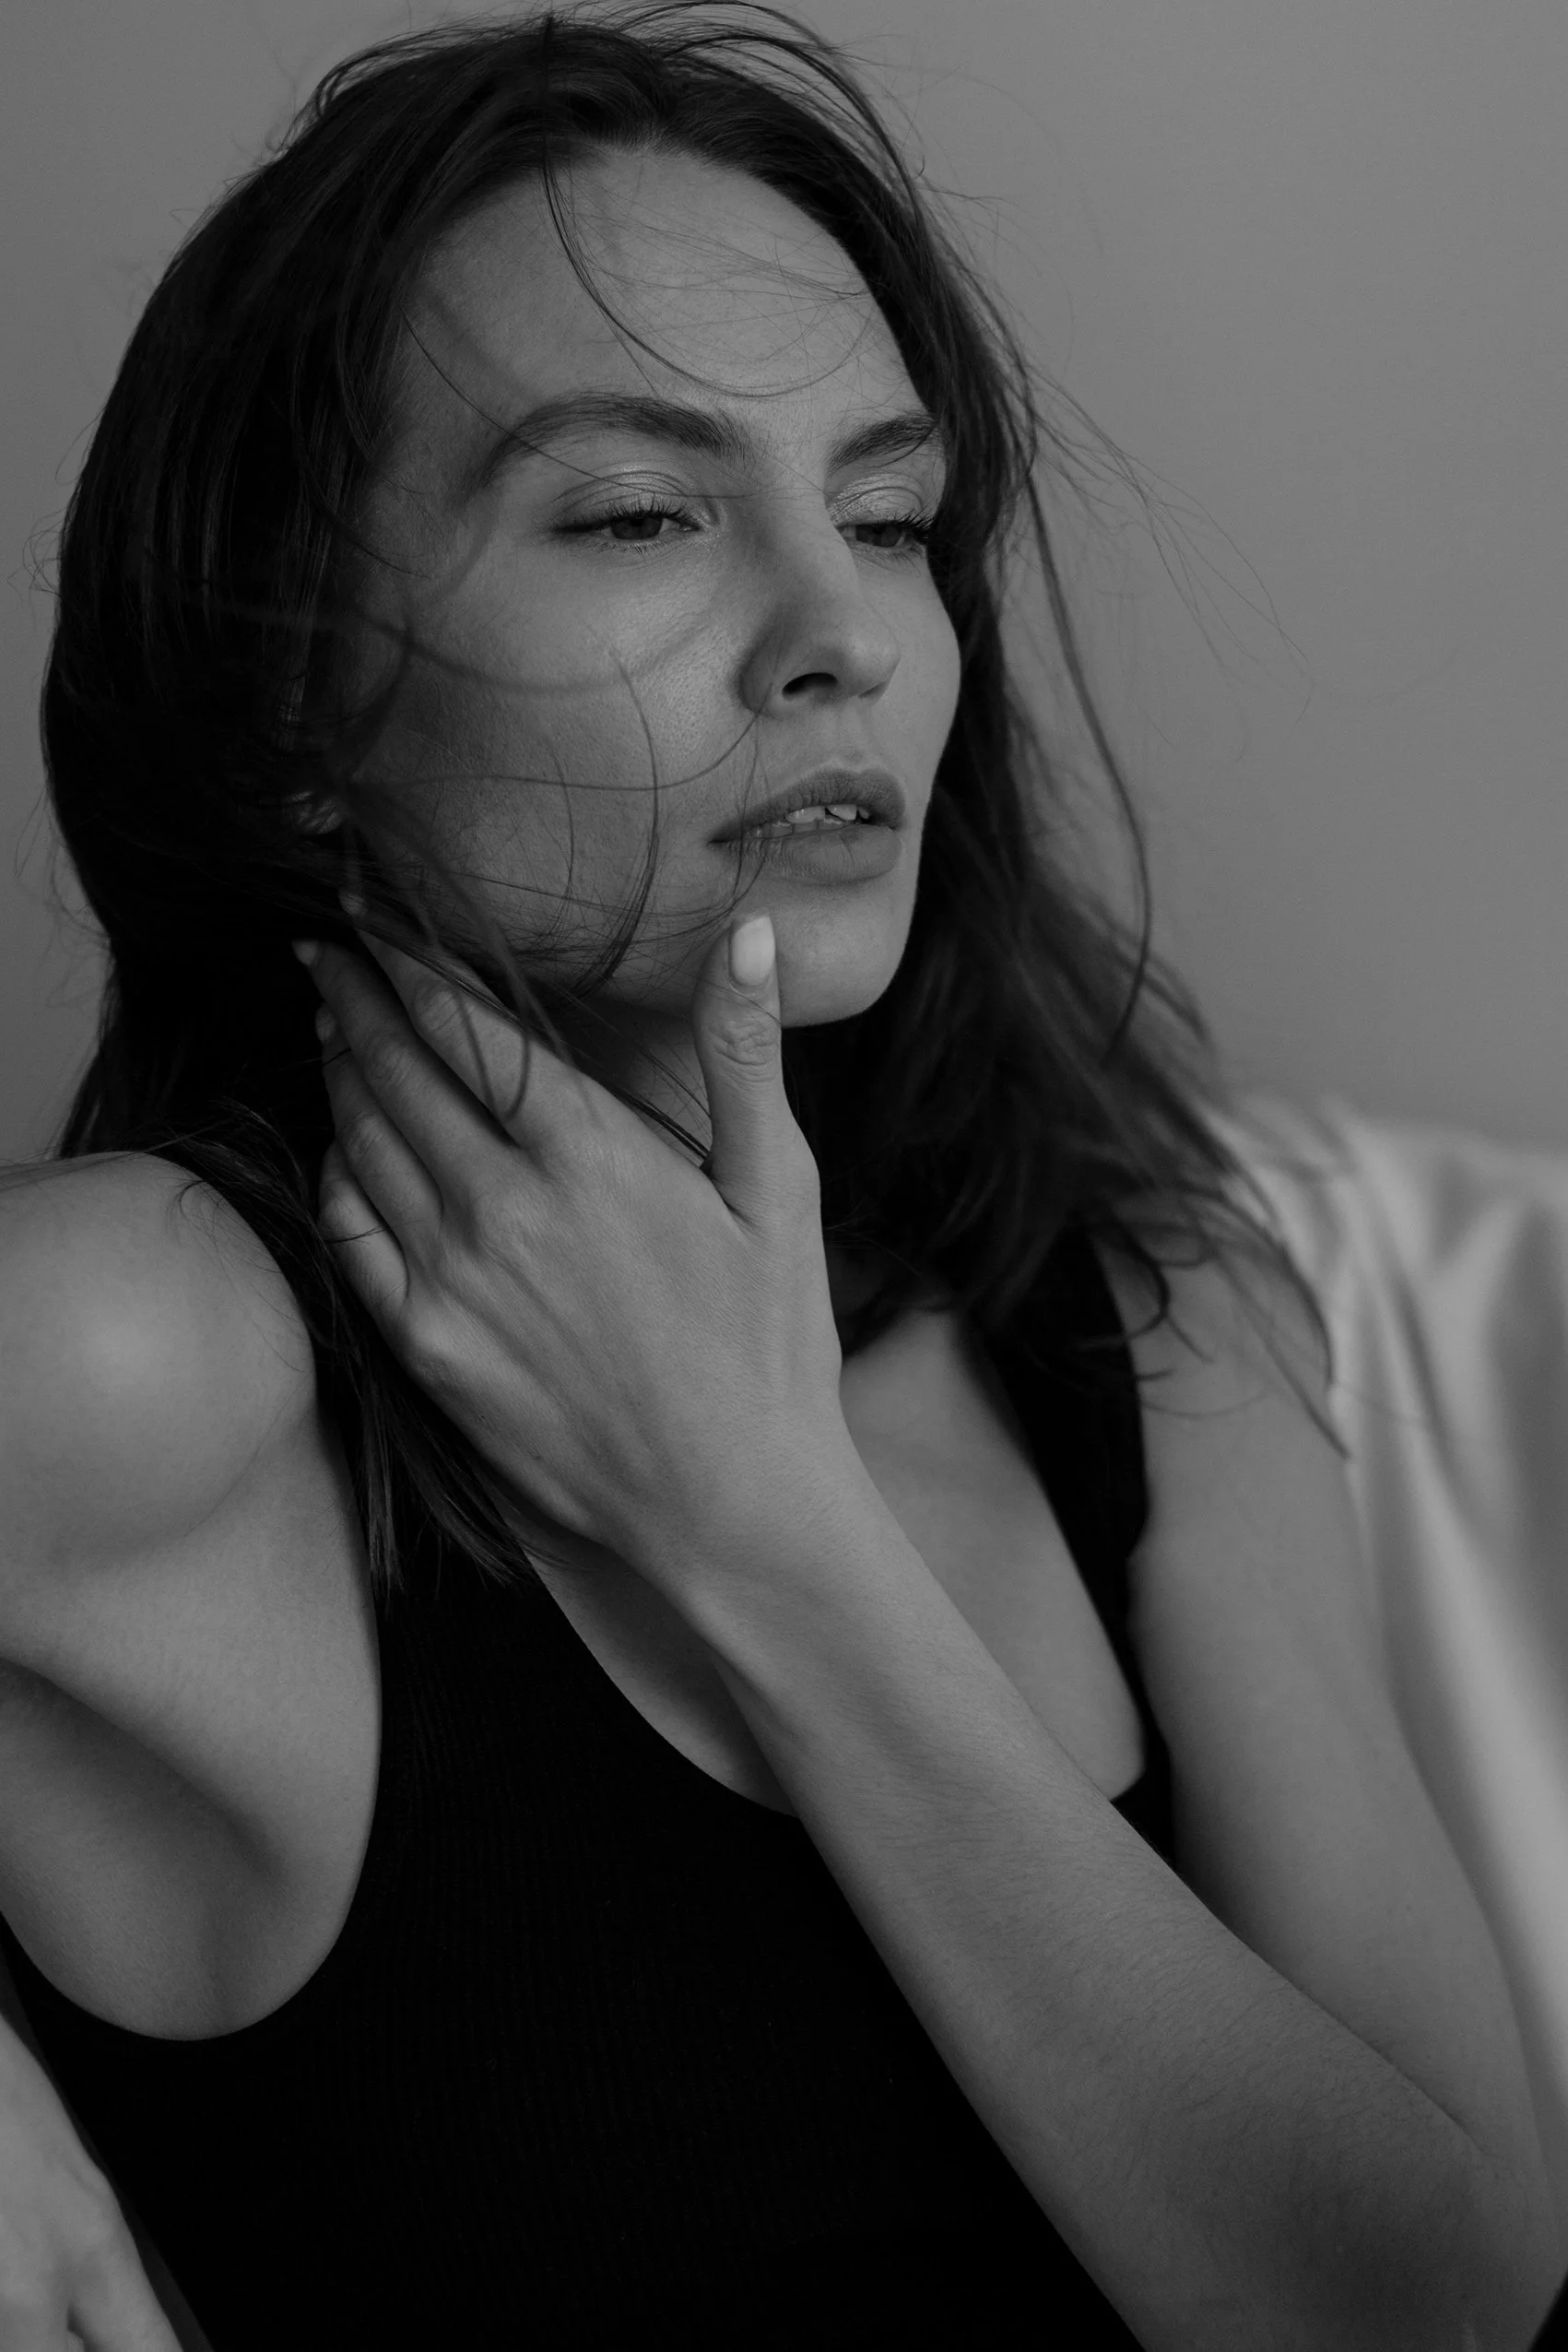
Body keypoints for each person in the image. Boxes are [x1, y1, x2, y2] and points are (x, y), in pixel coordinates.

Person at [0, 6, 1561, 2346]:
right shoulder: (140, 1347)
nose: (841, 639)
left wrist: (771, 1533)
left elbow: (1428, 2311)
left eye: (886, 515)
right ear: (290, 710)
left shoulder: (1146, 1313)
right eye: (638, 514)